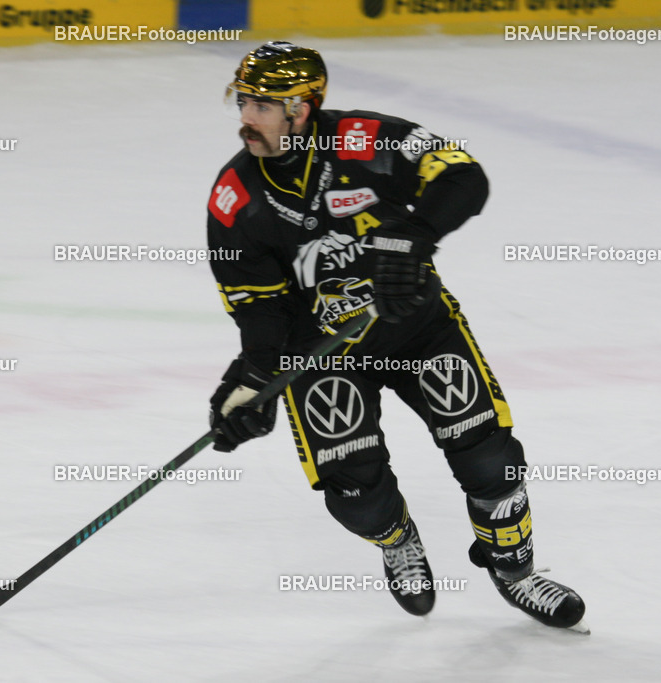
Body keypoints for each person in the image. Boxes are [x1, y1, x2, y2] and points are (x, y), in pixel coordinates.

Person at [205, 41, 587, 632]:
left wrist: (413, 235)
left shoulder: (365, 139)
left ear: (302, 108)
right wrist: (253, 379)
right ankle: (397, 539)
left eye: (262, 103)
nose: (246, 117)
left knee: (490, 457)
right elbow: (260, 309)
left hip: (417, 331)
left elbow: (463, 176)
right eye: (245, 101)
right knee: (356, 494)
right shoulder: (235, 201)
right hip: (324, 356)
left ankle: (513, 571)